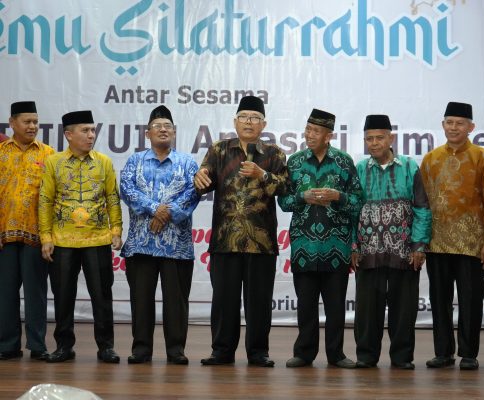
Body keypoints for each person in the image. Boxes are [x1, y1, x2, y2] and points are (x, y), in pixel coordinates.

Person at [194, 96, 287, 367]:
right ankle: (221, 351)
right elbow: (203, 184)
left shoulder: (275, 154)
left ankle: (258, 352)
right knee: (224, 301)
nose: (249, 122)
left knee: (259, 301)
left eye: (255, 118)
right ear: (235, 121)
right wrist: (198, 178)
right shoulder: (219, 150)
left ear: (263, 124)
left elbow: (285, 189)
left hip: (261, 241)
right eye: (244, 116)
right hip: (225, 239)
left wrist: (262, 175)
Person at [277, 109, 362, 368]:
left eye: (315, 131)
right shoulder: (294, 162)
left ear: (328, 136)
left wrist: (339, 197)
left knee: (336, 306)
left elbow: (359, 202)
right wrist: (303, 197)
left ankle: (336, 354)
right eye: (308, 129)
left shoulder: (344, 162)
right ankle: (304, 352)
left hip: (336, 247)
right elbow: (284, 202)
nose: (309, 135)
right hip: (304, 245)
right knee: (306, 305)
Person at [39, 110, 123, 363]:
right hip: (62, 240)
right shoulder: (54, 162)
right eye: (85, 130)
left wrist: (116, 230)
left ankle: (105, 347)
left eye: (93, 130)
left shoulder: (104, 162)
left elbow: (112, 198)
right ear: (68, 134)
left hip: (97, 239)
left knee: (102, 295)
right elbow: (45, 200)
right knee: (63, 296)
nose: (91, 135)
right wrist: (45, 237)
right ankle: (64, 346)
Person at [421, 102, 484, 370]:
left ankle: (469, 353)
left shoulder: (483, 158)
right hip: (437, 242)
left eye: (460, 123)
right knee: (439, 299)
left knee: (470, 299)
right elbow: (422, 204)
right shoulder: (431, 159)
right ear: (443, 125)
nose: (454, 127)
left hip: (472, 244)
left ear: (471, 128)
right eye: (449, 122)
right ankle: (443, 353)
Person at [120, 105, 200, 364]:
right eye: (158, 126)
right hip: (141, 244)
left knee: (176, 302)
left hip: (176, 245)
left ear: (174, 132)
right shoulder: (135, 161)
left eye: (168, 126)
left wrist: (167, 213)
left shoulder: (188, 162)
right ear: (147, 133)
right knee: (141, 300)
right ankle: (141, 349)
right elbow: (127, 190)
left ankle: (175, 351)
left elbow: (194, 193)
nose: (163, 129)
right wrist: (156, 209)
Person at [352, 115, 432, 370]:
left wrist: (419, 245)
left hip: (403, 250)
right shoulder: (359, 169)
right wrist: (353, 246)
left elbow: (421, 208)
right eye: (369, 139)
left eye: (379, 138)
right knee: (367, 309)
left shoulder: (409, 167)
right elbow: (352, 210)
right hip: (368, 249)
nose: (374, 143)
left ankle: (402, 357)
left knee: (404, 307)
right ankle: (366, 356)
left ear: (391, 138)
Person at [0, 101, 54, 361]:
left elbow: (53, 198)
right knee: (5, 292)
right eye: (27, 122)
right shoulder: (0, 153)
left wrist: (49, 236)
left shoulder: (49, 155)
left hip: (36, 235)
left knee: (36, 293)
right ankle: (8, 345)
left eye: (35, 121)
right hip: (4, 235)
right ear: (12, 123)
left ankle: (37, 345)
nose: (33, 126)